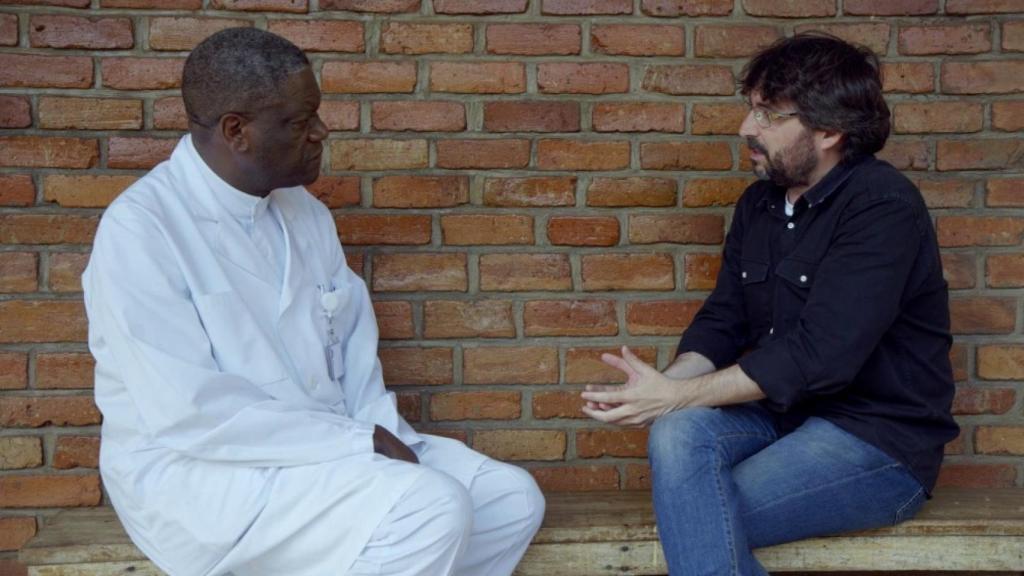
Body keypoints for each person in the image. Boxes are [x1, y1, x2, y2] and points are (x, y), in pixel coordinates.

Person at [83, 27, 544, 576]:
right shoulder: (143, 229)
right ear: (238, 131)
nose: (322, 132)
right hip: (203, 475)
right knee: (429, 508)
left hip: (327, 448)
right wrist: (357, 443)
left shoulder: (305, 214)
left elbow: (354, 354)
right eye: (301, 122)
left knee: (511, 500)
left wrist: (378, 437)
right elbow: (191, 414)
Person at [581, 33, 958, 576]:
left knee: (697, 513)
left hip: (876, 442)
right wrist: (662, 391)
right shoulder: (759, 204)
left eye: (767, 115)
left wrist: (678, 396)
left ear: (829, 130)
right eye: (750, 109)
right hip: (779, 421)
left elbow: (819, 353)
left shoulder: (882, 206)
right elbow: (724, 319)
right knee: (678, 430)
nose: (745, 129)